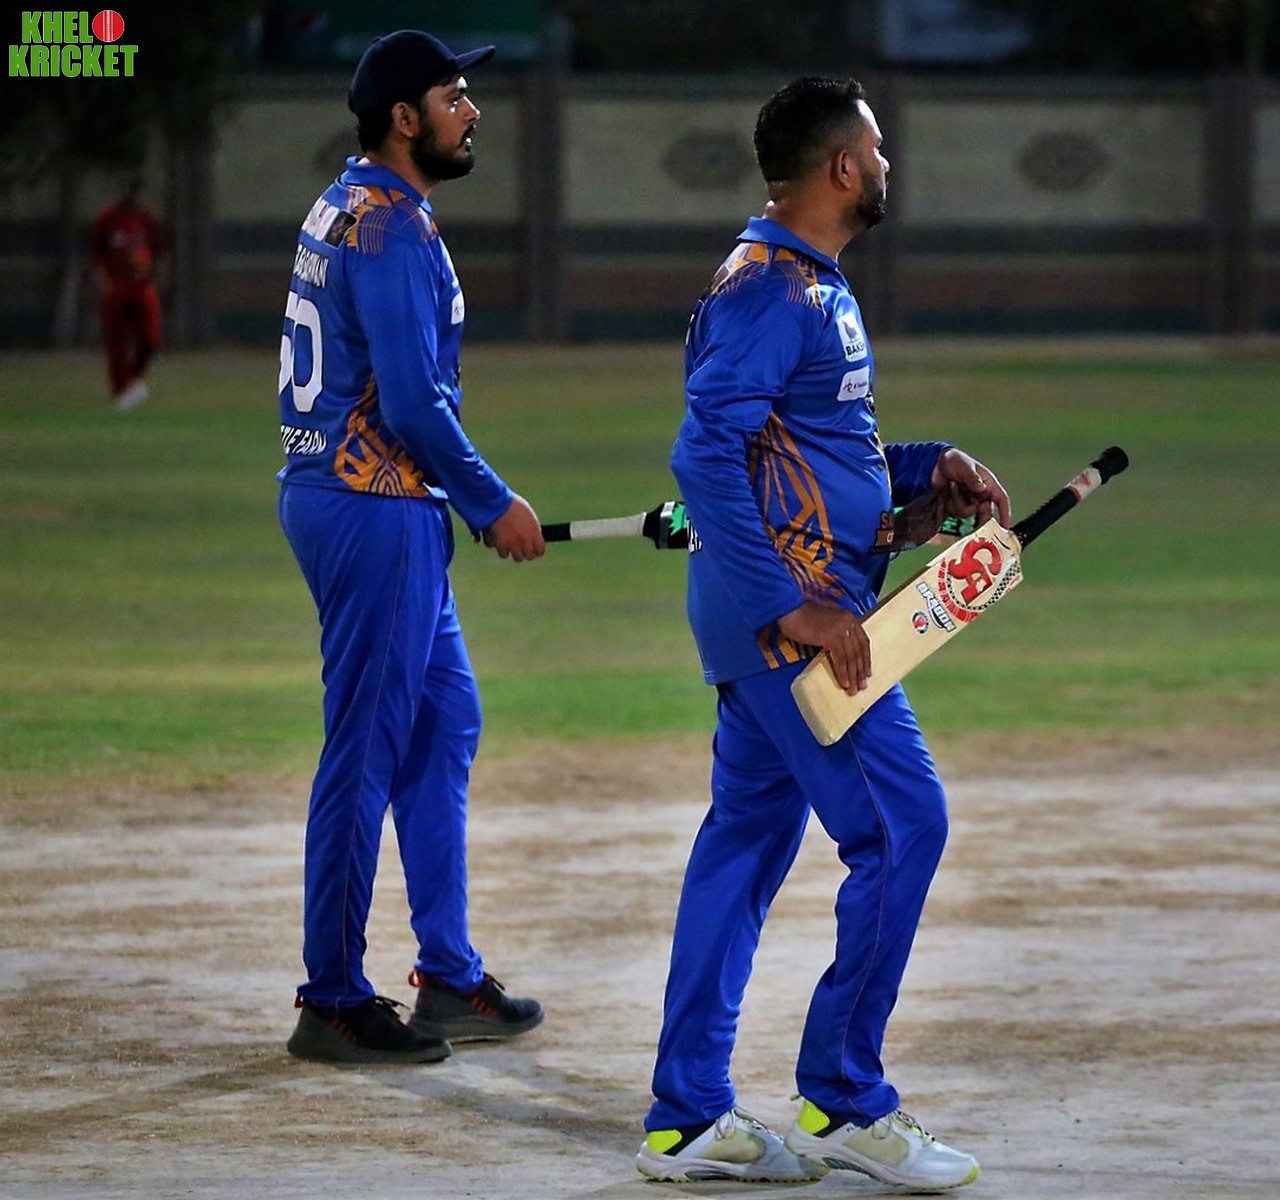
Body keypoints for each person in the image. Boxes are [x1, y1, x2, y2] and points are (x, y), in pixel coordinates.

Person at [636, 77, 1011, 1190]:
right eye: (877, 148)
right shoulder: (771, 291)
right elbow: (704, 455)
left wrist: (921, 474)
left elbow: (813, 451)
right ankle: (844, 1098)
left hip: (776, 616)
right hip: (793, 628)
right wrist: (787, 605)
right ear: (843, 167)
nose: (888, 164)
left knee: (744, 846)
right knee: (903, 825)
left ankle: (685, 1118)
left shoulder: (804, 282)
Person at [277, 29, 547, 1065]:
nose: (471, 112)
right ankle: (334, 1000)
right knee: (365, 750)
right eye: (453, 95)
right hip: (373, 507)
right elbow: (413, 402)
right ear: (404, 118)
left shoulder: (352, 203)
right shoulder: (388, 226)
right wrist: (490, 501)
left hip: (369, 500)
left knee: (442, 724)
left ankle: (447, 976)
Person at [87, 175, 165, 410]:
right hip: (116, 288)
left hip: (142, 288)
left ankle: (133, 378)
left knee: (150, 339)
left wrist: (157, 279)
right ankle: (120, 390)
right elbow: (96, 256)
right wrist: (103, 284)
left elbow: (158, 253)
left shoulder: (145, 219)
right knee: (117, 342)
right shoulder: (107, 219)